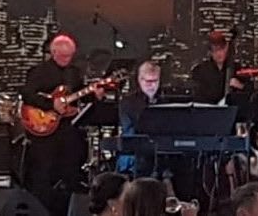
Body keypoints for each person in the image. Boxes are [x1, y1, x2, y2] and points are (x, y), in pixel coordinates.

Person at [22, 34, 104, 216]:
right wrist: (51, 104)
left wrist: (94, 95)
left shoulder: (73, 73)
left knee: (71, 168)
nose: (67, 59)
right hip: (43, 131)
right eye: (63, 55)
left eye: (70, 56)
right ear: (53, 52)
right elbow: (27, 95)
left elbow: (78, 96)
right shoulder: (38, 71)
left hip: (65, 128)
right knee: (43, 173)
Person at [118, 61, 164, 175]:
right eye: (148, 81)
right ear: (140, 80)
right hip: (137, 155)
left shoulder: (165, 100)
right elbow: (131, 131)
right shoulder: (128, 102)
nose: (152, 85)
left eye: (155, 81)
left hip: (162, 150)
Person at [190, 30, 253, 105]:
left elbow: (251, 92)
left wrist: (240, 86)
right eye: (215, 50)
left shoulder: (237, 69)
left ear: (226, 48)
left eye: (221, 49)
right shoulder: (200, 70)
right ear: (210, 52)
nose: (218, 53)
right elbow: (198, 95)